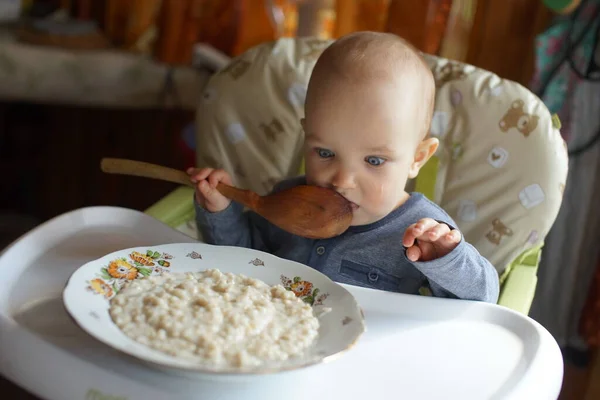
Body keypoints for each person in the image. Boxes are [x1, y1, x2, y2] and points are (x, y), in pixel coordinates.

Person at [187, 31, 499, 302]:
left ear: (417, 158)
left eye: (374, 160)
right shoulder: (290, 200)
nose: (342, 180)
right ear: (307, 135)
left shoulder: (425, 233)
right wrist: (220, 210)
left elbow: (481, 301)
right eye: (324, 152)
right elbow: (243, 257)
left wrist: (447, 261)